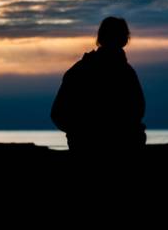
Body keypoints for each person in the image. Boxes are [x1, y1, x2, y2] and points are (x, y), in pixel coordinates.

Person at [50, 17, 146, 154]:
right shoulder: (125, 73)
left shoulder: (80, 70)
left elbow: (58, 114)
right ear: (125, 40)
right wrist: (81, 134)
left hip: (107, 146)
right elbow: (58, 113)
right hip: (100, 147)